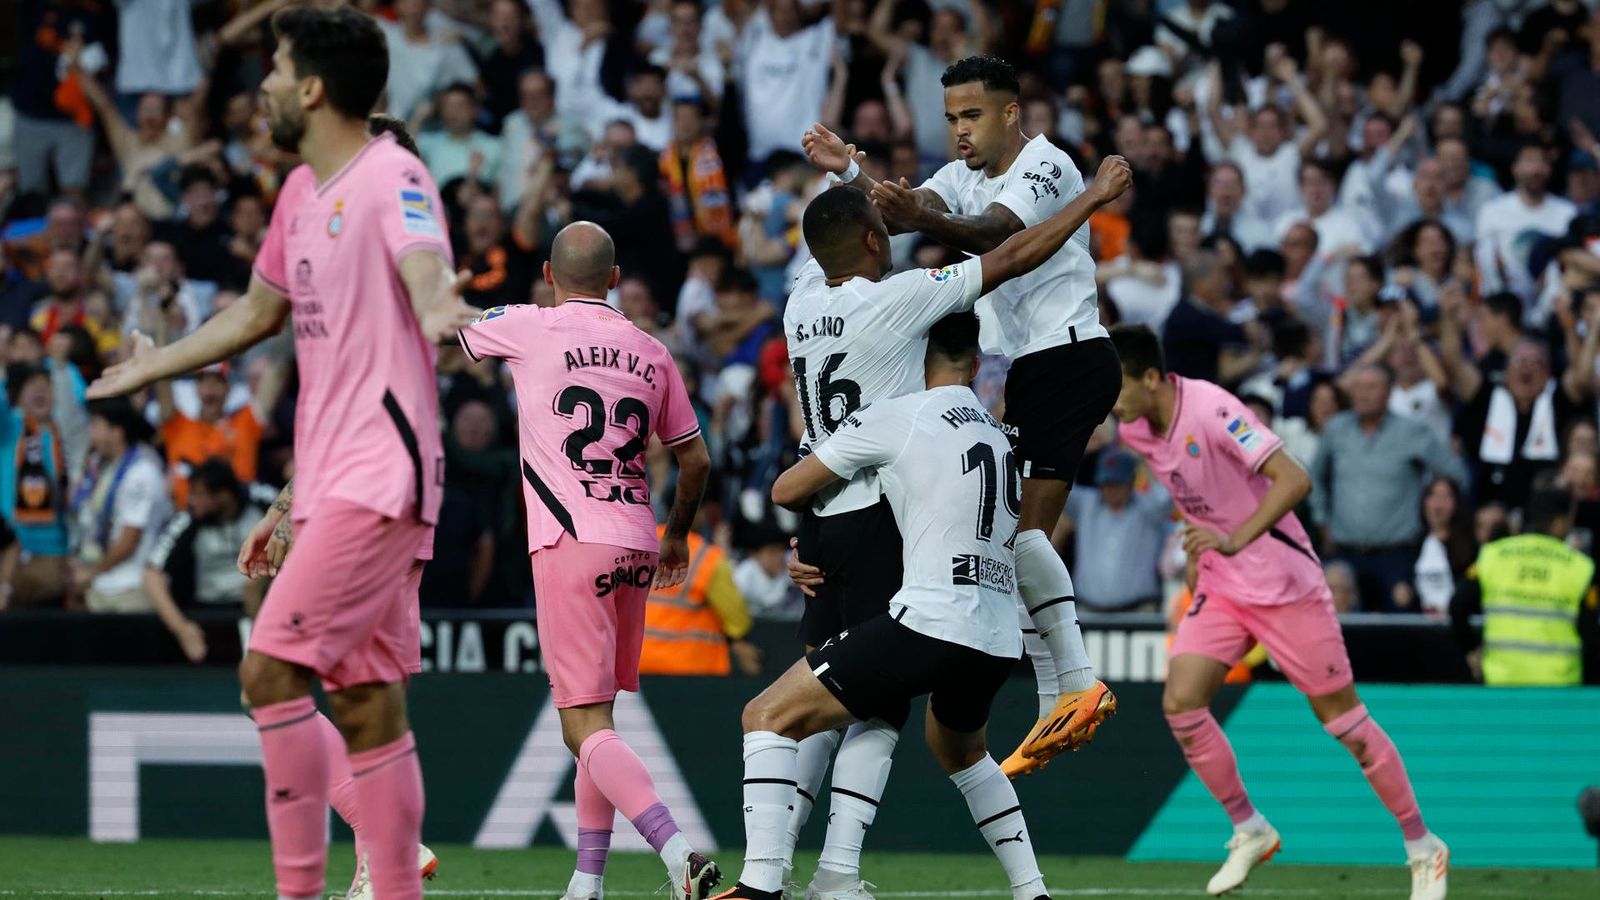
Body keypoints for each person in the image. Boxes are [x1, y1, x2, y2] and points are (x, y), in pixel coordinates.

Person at [86, 9, 478, 900]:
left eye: (274, 67)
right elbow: (255, 313)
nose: (259, 84)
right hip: (328, 476)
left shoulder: (394, 173)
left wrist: (435, 309)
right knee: (370, 705)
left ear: (310, 87)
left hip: (383, 471)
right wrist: (158, 365)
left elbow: (423, 264)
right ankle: (396, 885)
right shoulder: (300, 193)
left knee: (267, 669)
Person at [774, 155, 1128, 900]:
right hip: (892, 529)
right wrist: (1092, 197)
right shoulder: (904, 308)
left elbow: (834, 234)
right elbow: (1007, 252)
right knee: (875, 710)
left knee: (815, 709)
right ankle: (834, 871)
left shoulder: (801, 299)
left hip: (823, 514)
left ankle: (771, 866)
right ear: (875, 243)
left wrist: (849, 167)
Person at [807, 54, 1118, 779]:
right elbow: (901, 209)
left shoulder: (1047, 165)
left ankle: (1073, 684)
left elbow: (993, 237)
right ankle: (1061, 690)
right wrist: (850, 174)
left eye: (972, 115)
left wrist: (924, 213)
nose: (960, 131)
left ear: (1012, 112)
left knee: (1018, 531)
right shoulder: (961, 175)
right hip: (1030, 367)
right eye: (950, 118)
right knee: (1012, 534)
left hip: (1066, 355)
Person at [1108, 324, 1449, 900]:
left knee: (1346, 726)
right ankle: (1250, 829)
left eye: (1113, 385)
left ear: (1149, 378)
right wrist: (1201, 542)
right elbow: (1193, 490)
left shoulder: (1214, 410)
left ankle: (1423, 847)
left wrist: (1234, 538)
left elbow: (1295, 478)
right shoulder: (1135, 430)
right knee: (1181, 702)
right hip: (1222, 582)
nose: (1107, 398)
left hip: (1283, 583)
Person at [721, 311, 1049, 900]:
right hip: (998, 635)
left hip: (929, 622)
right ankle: (1033, 891)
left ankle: (761, 887)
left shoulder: (899, 416)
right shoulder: (1000, 437)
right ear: (976, 366)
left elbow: (786, 489)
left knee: (766, 716)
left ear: (913, 358)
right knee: (963, 752)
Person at [456, 221, 721, 900]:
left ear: (549, 272)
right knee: (598, 720)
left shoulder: (529, 325)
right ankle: (587, 881)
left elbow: (448, 327)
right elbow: (695, 458)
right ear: (613, 278)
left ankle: (678, 850)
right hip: (635, 536)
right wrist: (677, 535)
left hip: (570, 538)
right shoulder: (652, 350)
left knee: (582, 725)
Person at [1310, 365, 1466, 612]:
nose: (1364, 394)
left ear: (1389, 393)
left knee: (1398, 634)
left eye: (1372, 387)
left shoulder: (1412, 431)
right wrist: (1322, 520)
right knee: (1342, 631)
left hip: (1397, 554)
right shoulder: (1336, 429)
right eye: (1359, 387)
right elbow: (1314, 476)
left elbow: (1456, 474)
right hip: (1345, 550)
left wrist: (1437, 518)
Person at [1451, 489, 1599, 686]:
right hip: (1560, 689)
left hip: (1501, 683)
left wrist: (1471, 649)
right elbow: (1591, 636)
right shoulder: (1579, 566)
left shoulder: (1493, 555)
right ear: (1559, 522)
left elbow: (1457, 605)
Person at [143, 458, 270, 662]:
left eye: (198, 494)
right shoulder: (188, 519)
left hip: (262, 609)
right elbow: (151, 574)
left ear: (223, 496)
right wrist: (181, 628)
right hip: (208, 613)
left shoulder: (263, 503)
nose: (190, 501)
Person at [74, 396, 169, 612]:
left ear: (116, 432)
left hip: (131, 589)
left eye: (96, 426)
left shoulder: (142, 472)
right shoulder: (105, 468)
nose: (91, 433)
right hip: (102, 585)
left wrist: (91, 572)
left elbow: (129, 540)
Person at [639, 522, 761, 676]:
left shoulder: (635, 544)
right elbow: (739, 623)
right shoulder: (708, 558)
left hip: (635, 665)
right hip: (691, 670)